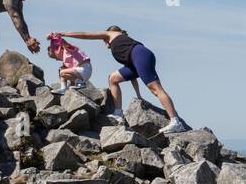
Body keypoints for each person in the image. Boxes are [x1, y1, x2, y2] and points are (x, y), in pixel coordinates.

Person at [54, 26, 191, 134]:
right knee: (113, 78)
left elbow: (85, 34)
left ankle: (175, 121)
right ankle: (118, 113)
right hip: (135, 60)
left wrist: (64, 34)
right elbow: (133, 76)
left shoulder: (112, 34)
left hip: (140, 54)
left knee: (156, 89)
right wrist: (139, 95)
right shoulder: (123, 44)